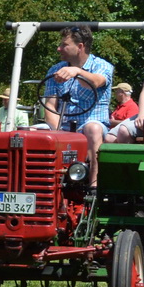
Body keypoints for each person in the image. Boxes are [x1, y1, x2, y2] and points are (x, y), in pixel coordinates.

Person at [41, 24, 113, 184]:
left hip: (91, 124)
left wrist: (78, 72)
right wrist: (58, 132)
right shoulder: (55, 70)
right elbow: (50, 107)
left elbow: (96, 82)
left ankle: (94, 186)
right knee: (25, 133)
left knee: (92, 129)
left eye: (64, 45)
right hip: (63, 127)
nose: (59, 49)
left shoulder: (101, 66)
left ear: (80, 47)